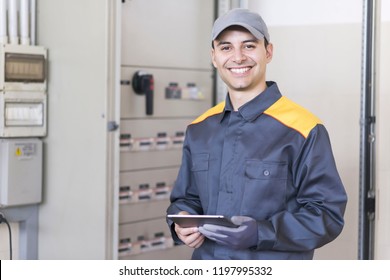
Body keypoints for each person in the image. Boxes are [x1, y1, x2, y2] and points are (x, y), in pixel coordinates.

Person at [166, 8, 347, 260]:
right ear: (214, 57)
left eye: (249, 46)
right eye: (226, 48)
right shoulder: (199, 128)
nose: (238, 57)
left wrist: (262, 233)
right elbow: (187, 198)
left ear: (268, 52)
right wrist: (182, 221)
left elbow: (327, 215)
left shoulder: (303, 129)